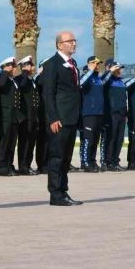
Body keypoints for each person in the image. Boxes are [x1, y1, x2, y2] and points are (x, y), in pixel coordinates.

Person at [41, 31, 83, 206]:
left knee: (66, 158)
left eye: (74, 40)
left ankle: (63, 191)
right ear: (59, 45)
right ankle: (55, 194)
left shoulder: (72, 64)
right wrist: (53, 118)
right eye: (69, 41)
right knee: (57, 157)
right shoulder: (52, 64)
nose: (73, 43)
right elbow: (48, 93)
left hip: (71, 117)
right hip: (59, 118)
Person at [0, 56, 26, 176]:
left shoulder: (13, 81)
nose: (14, 69)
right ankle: (2, 166)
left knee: (12, 142)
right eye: (12, 67)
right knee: (4, 142)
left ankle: (9, 165)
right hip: (5, 115)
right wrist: (4, 72)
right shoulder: (3, 78)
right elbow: (0, 85)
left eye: (13, 67)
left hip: (14, 116)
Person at [78, 56, 107, 173]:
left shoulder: (98, 79)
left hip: (99, 113)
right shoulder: (86, 77)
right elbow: (80, 84)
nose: (97, 65)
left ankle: (92, 161)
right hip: (88, 113)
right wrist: (89, 70)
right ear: (89, 64)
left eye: (98, 63)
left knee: (95, 139)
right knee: (88, 139)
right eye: (95, 63)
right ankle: (85, 163)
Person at [103, 60, 128, 171]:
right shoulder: (107, 79)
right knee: (111, 138)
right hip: (111, 113)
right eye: (116, 68)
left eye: (120, 68)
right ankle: (108, 162)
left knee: (119, 138)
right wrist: (109, 72)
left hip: (122, 114)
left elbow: (124, 98)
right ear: (109, 68)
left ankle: (115, 161)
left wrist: (126, 113)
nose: (119, 70)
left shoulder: (121, 82)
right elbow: (102, 81)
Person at [17, 56, 39, 175]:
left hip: (33, 116)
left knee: (31, 142)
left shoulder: (31, 80)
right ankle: (23, 166)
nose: (33, 67)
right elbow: (22, 86)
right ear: (25, 66)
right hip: (26, 116)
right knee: (24, 142)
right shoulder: (21, 78)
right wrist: (24, 72)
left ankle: (28, 165)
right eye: (30, 65)